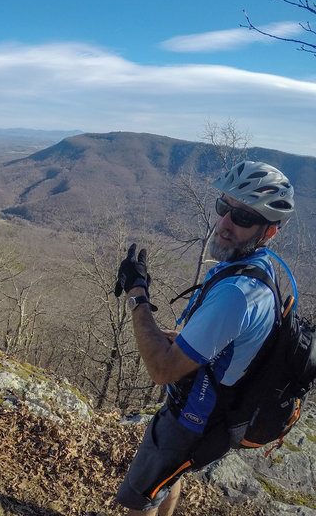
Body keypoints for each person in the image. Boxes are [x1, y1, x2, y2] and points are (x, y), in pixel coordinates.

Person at [113, 160, 295, 516]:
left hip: (194, 416)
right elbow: (231, 340)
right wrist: (185, 341)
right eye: (224, 207)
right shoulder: (258, 269)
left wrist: (138, 293)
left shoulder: (237, 293)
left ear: (268, 232)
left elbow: (162, 370)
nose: (225, 223)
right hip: (213, 409)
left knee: (141, 495)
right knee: (169, 476)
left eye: (242, 217)